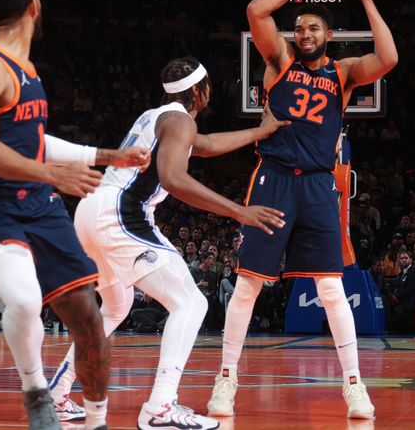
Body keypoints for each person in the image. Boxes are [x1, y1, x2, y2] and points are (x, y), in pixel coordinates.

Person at [0, 0, 150, 430]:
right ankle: (38, 394)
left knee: (90, 320)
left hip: (41, 206)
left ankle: (97, 421)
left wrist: (107, 154)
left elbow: (33, 140)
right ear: (35, 5)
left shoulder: (28, 70)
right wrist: (51, 173)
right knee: (22, 301)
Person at [47, 56, 287, 429]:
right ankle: (160, 408)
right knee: (190, 302)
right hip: (120, 214)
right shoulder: (178, 120)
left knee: (115, 308)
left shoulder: (161, 117)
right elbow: (173, 178)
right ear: (199, 90)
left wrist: (260, 131)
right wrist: (239, 211)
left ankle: (56, 396)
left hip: (91, 209)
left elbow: (204, 145)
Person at [208, 0, 397, 420]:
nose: (306, 33)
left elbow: (390, 57)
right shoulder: (279, 60)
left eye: (315, 28)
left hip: (317, 186)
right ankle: (226, 380)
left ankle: (354, 386)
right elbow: (256, 10)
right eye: (302, 28)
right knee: (249, 285)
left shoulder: (344, 72)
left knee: (331, 289)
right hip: (273, 180)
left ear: (329, 36)